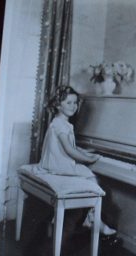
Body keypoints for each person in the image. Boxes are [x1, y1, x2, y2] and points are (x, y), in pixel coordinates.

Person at [39, 85, 116, 235]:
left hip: (56, 163)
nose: (73, 106)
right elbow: (69, 150)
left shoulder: (60, 122)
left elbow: (69, 147)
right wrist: (89, 158)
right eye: (69, 103)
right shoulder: (60, 125)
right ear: (57, 105)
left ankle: (90, 217)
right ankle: (93, 219)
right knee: (93, 179)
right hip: (58, 167)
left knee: (90, 180)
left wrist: (84, 151)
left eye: (75, 103)